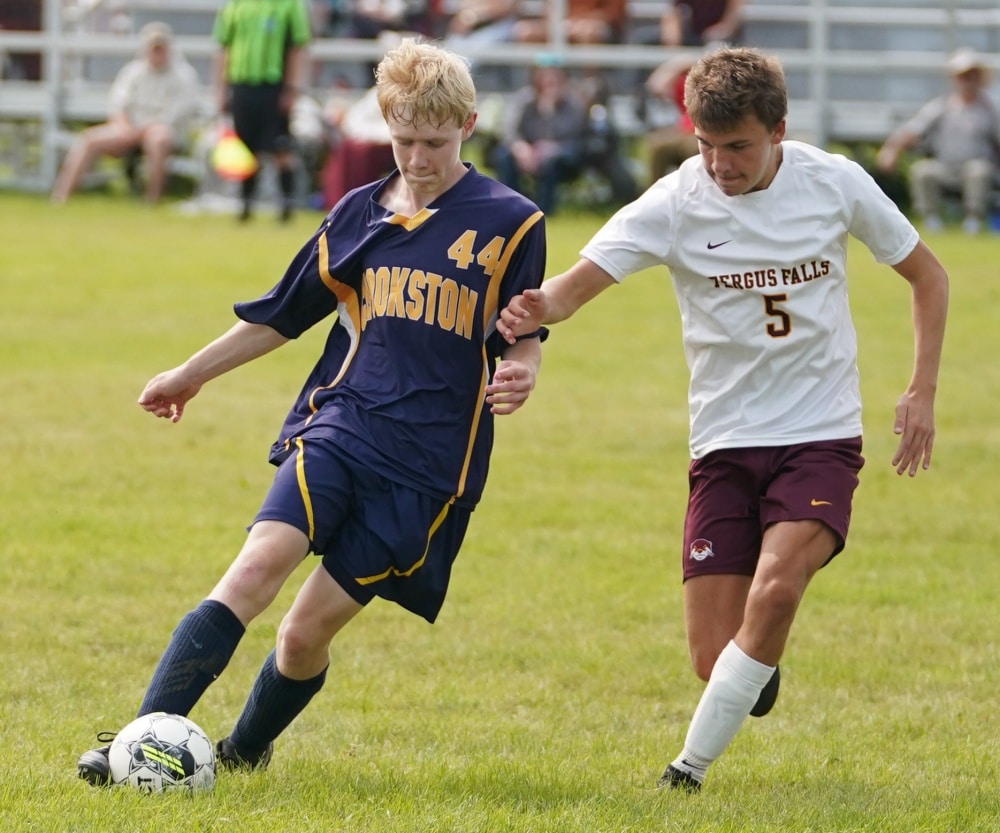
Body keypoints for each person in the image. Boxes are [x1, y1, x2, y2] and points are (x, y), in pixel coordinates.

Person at [76, 38, 547, 785]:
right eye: (402, 141)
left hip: (427, 468)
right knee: (256, 566)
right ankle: (136, 739)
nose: (418, 159)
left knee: (302, 635)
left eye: (434, 141)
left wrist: (520, 375)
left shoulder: (511, 222)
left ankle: (242, 751)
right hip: (340, 426)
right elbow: (280, 314)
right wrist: (189, 373)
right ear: (382, 126)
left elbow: (522, 338)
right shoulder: (358, 214)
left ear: (470, 123)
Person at [498, 46, 948, 792]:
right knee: (716, 663)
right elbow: (570, 292)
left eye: (736, 146)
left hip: (819, 433)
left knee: (775, 592)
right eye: (706, 146)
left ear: (778, 129)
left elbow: (927, 274)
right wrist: (538, 308)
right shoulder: (676, 199)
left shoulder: (831, 181)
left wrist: (922, 388)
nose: (719, 164)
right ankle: (749, 671)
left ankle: (685, 771)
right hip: (725, 440)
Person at [50, 22, 201, 205]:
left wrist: (146, 128)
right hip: (128, 129)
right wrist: (124, 126)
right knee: (88, 139)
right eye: (153, 48)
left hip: (162, 130)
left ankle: (152, 199)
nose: (157, 54)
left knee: (158, 140)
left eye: (161, 48)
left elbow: (177, 113)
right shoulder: (132, 72)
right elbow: (117, 105)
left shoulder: (184, 75)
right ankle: (60, 197)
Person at [876, 47, 1000, 235]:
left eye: (971, 75)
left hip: (975, 166)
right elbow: (913, 129)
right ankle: (931, 221)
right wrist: (891, 150)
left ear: (979, 78)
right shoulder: (941, 106)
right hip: (945, 166)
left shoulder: (990, 109)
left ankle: (973, 221)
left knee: (978, 171)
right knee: (923, 170)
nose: (966, 81)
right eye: (962, 76)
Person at [212, 0, 312, 223]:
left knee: (280, 148)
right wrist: (220, 88)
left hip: (273, 86)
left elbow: (297, 47)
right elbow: (223, 47)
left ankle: (286, 206)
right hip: (242, 85)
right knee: (246, 149)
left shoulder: (289, 5)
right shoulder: (236, 4)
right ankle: (245, 206)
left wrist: (291, 88)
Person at [492, 62, 588, 214]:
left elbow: (574, 137)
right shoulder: (524, 100)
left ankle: (543, 210)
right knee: (504, 156)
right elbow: (509, 130)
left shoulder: (574, 105)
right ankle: (509, 206)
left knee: (552, 162)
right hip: (528, 151)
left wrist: (548, 113)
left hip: (561, 155)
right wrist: (521, 148)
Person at [512, 0, 627, 45]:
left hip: (598, 28)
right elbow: (549, 8)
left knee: (588, 32)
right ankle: (539, 84)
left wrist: (575, 22)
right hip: (563, 25)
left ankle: (591, 83)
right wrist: (562, 23)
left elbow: (611, 14)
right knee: (525, 31)